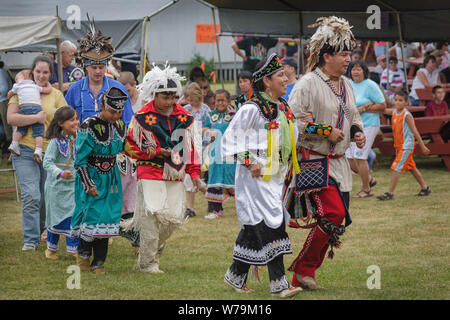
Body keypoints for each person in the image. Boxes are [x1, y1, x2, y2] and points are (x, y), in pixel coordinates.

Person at [287, 16, 366, 290]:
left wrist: (356, 130)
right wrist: (325, 131)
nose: (348, 60)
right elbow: (294, 122)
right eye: (344, 54)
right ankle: (302, 271)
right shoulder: (307, 84)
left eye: (349, 54)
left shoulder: (345, 84)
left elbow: (352, 113)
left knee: (336, 216)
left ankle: (306, 274)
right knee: (332, 213)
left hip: (339, 163)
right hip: (313, 160)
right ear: (327, 56)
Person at [221, 53, 303, 298]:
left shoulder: (283, 107)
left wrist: (288, 167)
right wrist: (249, 161)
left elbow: (290, 138)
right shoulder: (252, 108)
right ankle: (278, 283)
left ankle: (235, 275)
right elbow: (229, 140)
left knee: (256, 222)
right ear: (266, 81)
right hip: (256, 174)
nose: (286, 78)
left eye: (285, 74)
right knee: (273, 219)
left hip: (276, 172)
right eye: (280, 75)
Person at [124, 63, 201, 274]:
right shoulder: (141, 118)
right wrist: (157, 151)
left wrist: (194, 172)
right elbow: (129, 147)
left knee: (173, 218)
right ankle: (147, 263)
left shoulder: (184, 118)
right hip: (150, 171)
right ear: (154, 95)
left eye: (173, 97)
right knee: (153, 213)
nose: (169, 102)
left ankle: (152, 251)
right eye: (165, 97)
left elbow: (191, 147)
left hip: (175, 172)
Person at [7, 55, 68, 251]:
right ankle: (30, 239)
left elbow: (65, 118)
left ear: (51, 74)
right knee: (31, 195)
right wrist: (36, 117)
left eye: (46, 72)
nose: (41, 76)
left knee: (46, 194)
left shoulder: (56, 94)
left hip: (50, 152)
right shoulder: (22, 91)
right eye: (38, 72)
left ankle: (46, 230)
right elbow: (11, 119)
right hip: (24, 150)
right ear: (32, 72)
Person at [70, 86, 128, 274]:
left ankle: (99, 262)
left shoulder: (120, 126)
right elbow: (79, 160)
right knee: (92, 217)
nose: (115, 116)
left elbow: (125, 150)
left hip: (111, 180)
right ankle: (83, 251)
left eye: (119, 112)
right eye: (112, 111)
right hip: (92, 177)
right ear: (102, 106)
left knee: (108, 218)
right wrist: (88, 184)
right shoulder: (89, 125)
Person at [65, 21, 134, 125]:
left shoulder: (119, 88)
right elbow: (65, 120)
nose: (98, 71)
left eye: (101, 67)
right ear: (86, 66)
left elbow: (128, 121)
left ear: (106, 66)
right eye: (94, 67)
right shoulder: (74, 89)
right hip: (82, 140)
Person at [377, 91, 431, 200]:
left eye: (400, 100)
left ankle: (390, 193)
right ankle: (425, 188)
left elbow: (415, 130)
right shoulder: (394, 112)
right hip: (399, 146)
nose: (397, 102)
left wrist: (422, 146)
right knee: (412, 167)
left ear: (406, 102)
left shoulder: (406, 115)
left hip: (406, 146)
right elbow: (382, 110)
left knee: (396, 167)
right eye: (395, 100)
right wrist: (368, 107)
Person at [42, 106, 79, 260]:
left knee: (73, 215)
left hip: (72, 185)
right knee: (56, 218)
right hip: (56, 187)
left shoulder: (76, 139)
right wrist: (61, 173)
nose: (76, 122)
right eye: (72, 120)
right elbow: (47, 162)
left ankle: (74, 249)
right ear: (61, 123)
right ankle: (51, 250)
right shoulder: (55, 142)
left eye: (77, 118)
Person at [345, 60, 386, 198]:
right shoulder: (348, 84)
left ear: (364, 71)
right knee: (348, 158)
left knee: (359, 156)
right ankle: (368, 179)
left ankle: (366, 189)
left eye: (358, 69)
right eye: (353, 69)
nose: (356, 72)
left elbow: (382, 106)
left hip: (369, 124)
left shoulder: (371, 85)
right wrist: (359, 109)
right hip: (353, 125)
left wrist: (363, 109)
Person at [117, 71, 143, 254]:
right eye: (122, 91)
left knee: (133, 198)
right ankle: (109, 231)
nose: (126, 94)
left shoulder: (144, 101)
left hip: (136, 153)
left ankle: (137, 242)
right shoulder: (118, 100)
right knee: (119, 195)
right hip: (120, 153)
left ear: (134, 84)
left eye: (128, 90)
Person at [203, 89, 236, 220]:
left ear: (228, 101)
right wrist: (209, 131)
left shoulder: (234, 114)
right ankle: (217, 210)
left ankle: (242, 206)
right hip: (215, 152)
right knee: (215, 178)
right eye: (217, 100)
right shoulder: (211, 115)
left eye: (223, 100)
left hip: (230, 151)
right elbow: (205, 128)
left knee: (231, 177)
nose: (220, 102)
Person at [7, 70, 53, 162]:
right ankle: (38, 150)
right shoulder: (36, 86)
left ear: (23, 77)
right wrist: (48, 83)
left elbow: (9, 94)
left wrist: (11, 94)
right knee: (39, 131)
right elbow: (48, 90)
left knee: (21, 128)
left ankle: (14, 144)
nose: (16, 80)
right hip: (37, 109)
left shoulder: (17, 86)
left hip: (24, 108)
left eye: (17, 78)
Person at [182, 82, 209, 218]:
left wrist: (201, 131)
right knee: (190, 177)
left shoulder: (206, 110)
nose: (189, 101)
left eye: (192, 99)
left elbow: (210, 128)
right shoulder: (185, 108)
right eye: (188, 99)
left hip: (201, 147)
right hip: (188, 145)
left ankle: (193, 206)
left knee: (191, 177)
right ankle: (210, 197)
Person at [231, 36, 299, 72]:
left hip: (262, 68)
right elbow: (234, 46)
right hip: (249, 68)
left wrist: (293, 40)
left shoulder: (266, 39)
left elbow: (279, 40)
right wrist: (243, 57)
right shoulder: (248, 39)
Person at [0, 60, 13, 157]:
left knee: (7, 127)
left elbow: (3, 89)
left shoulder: (0, 72)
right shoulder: (2, 71)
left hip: (3, 101)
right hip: (3, 100)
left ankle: (9, 152)